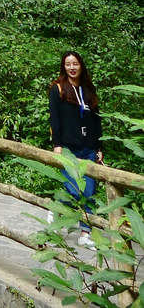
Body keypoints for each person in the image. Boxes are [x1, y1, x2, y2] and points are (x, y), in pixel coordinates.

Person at [49, 50, 103, 249]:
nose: (72, 67)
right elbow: (55, 119)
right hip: (68, 147)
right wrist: (57, 145)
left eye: (75, 64)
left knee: (89, 191)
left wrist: (99, 147)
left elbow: (97, 121)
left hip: (88, 148)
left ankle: (85, 233)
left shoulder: (88, 89)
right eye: (68, 64)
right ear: (64, 67)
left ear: (81, 65)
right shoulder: (58, 89)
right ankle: (56, 213)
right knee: (72, 189)